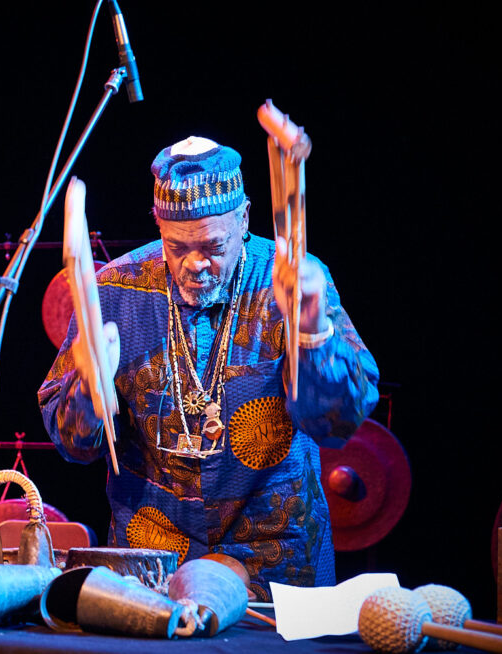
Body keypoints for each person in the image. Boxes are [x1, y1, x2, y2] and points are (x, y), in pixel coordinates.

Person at [38, 136, 379, 600]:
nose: (196, 264)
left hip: (275, 568)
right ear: (158, 225)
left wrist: (312, 333)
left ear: (244, 219)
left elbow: (335, 427)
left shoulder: (290, 279)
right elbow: (77, 449)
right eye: (177, 247)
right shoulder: (113, 290)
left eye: (213, 245)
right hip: (152, 566)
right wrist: (87, 387)